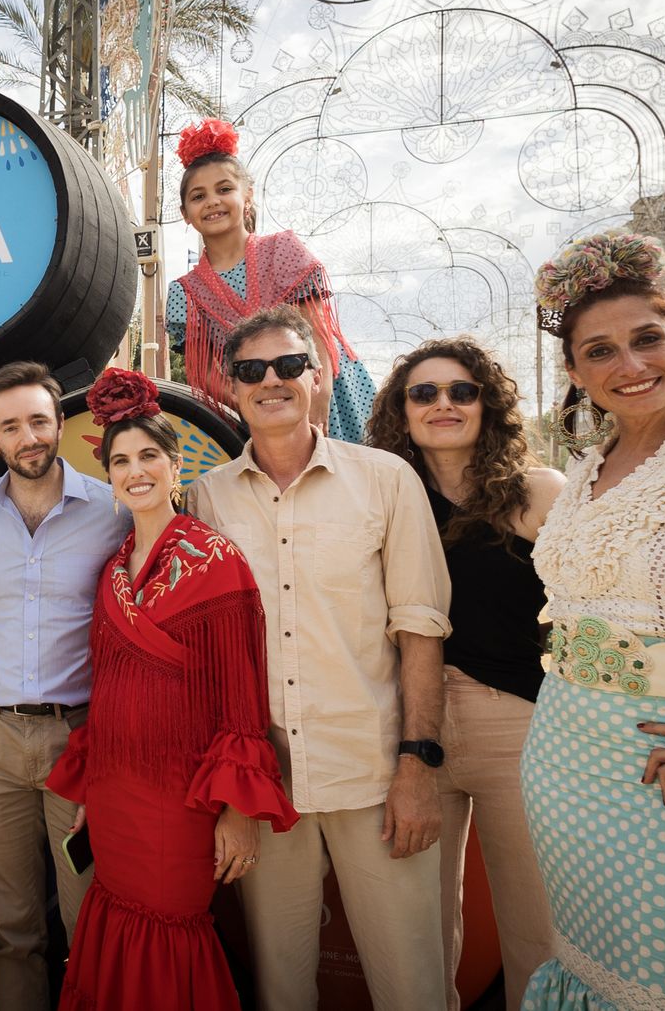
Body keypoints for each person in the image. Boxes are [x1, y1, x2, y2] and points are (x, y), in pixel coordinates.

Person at [185, 305, 452, 1010]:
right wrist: (227, 793)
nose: (271, 380)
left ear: (320, 377)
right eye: (251, 370)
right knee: (281, 986)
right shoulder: (206, 498)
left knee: (414, 983)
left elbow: (420, 630)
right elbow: (209, 652)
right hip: (264, 786)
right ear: (231, 389)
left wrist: (419, 766)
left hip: (372, 777)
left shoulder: (387, 480)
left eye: (289, 364)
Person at [520, 230, 665, 1009]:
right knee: (590, 972)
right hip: (567, 766)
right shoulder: (586, 470)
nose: (630, 366)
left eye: (647, 340)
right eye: (600, 351)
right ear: (575, 371)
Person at [44, 367, 297, 1011]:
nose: (135, 471)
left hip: (182, 796)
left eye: (149, 455)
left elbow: (241, 698)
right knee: (114, 920)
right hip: (117, 788)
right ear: (108, 475)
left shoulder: (217, 561)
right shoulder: (113, 568)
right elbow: (107, 687)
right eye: (120, 460)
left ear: (174, 463)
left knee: (169, 929)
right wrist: (92, 789)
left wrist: (237, 811)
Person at [368, 338, 563, 1010]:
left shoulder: (538, 494)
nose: (443, 404)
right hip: (406, 730)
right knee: (416, 936)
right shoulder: (383, 498)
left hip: (516, 724)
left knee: (539, 931)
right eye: (424, 392)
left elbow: (591, 616)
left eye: (461, 390)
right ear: (402, 410)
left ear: (489, 403)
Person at [0, 362, 129, 1011]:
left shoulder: (113, 510)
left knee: (90, 920)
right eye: (10, 426)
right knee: (12, 928)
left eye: (38, 421)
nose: (27, 436)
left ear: (59, 423)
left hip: (78, 744)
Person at [166, 117, 375, 442]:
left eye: (224, 189)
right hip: (259, 402)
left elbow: (318, 331)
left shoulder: (282, 249)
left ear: (247, 196)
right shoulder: (185, 292)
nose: (212, 202)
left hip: (326, 389)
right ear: (185, 213)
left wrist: (319, 394)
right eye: (198, 196)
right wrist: (258, 403)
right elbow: (204, 374)